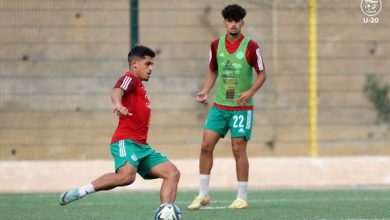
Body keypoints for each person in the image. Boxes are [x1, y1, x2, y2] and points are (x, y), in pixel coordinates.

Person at [59, 45, 180, 207]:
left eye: (152, 65)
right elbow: (117, 90)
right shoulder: (130, 78)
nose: (151, 68)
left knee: (172, 173)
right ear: (135, 64)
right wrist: (118, 103)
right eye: (147, 64)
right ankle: (80, 192)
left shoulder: (140, 87)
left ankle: (166, 212)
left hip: (142, 147)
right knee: (127, 177)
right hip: (126, 141)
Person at [187, 4, 266, 210]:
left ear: (242, 23)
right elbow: (213, 70)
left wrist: (249, 93)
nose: (233, 24)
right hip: (219, 107)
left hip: (241, 109)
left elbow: (262, 74)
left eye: (237, 21)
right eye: (229, 21)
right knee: (205, 146)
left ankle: (242, 197)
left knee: (238, 149)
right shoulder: (216, 45)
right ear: (224, 23)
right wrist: (205, 91)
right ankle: (203, 195)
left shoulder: (251, 46)